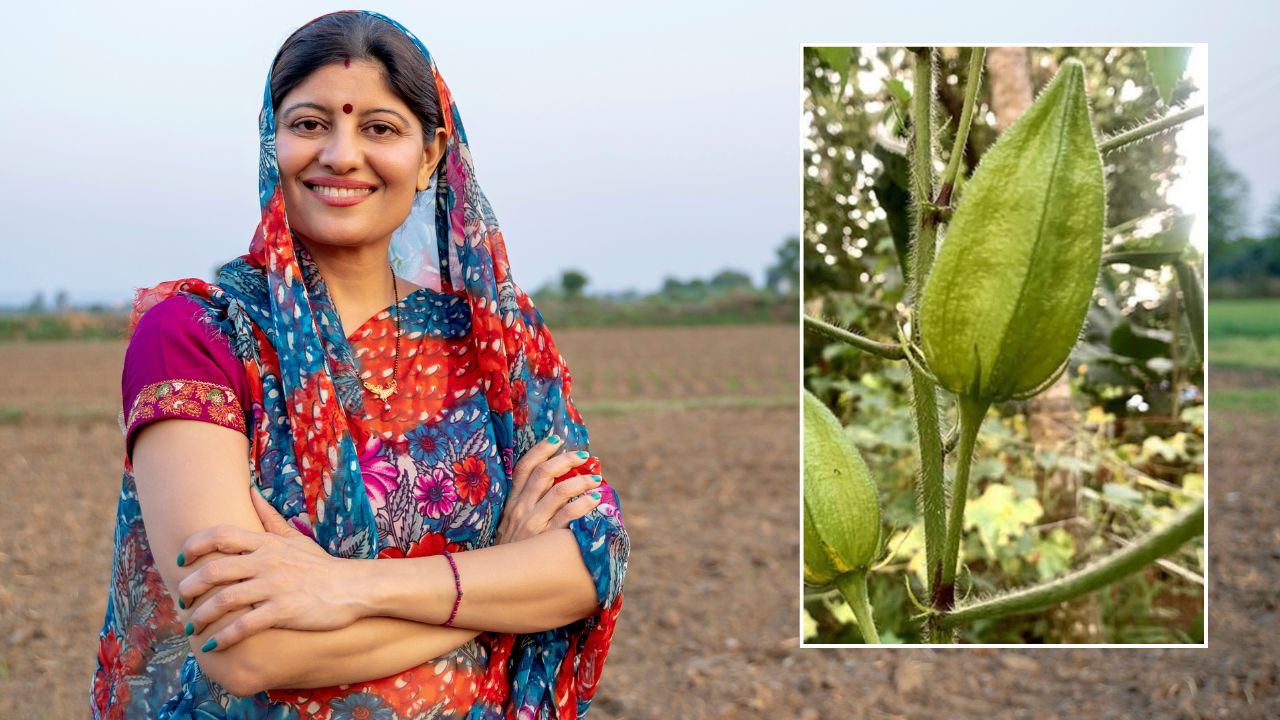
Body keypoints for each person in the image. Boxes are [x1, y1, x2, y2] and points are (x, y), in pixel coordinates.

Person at [90, 10, 628, 719]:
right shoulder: (198, 339)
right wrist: (498, 584)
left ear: (431, 152)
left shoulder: (495, 344)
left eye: (380, 128)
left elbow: (594, 560)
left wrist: (342, 588)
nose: (342, 156)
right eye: (310, 124)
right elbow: (245, 648)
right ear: (271, 140)